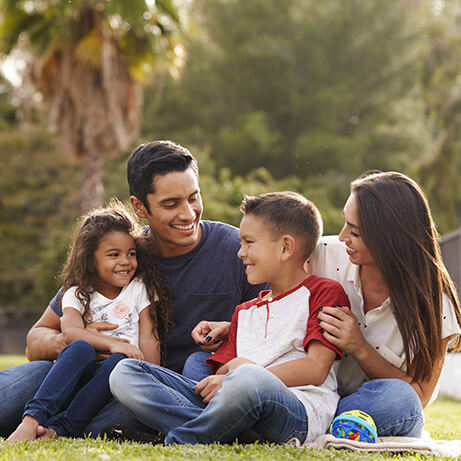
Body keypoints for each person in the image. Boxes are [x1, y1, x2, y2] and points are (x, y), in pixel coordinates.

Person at [0, 140, 265, 438]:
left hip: (151, 390)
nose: (188, 213)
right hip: (79, 374)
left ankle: (55, 427)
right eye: (171, 204)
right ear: (139, 206)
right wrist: (84, 342)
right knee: (22, 385)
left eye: (193, 197)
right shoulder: (120, 255)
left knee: (123, 411)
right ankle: (41, 420)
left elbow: (275, 327)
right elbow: (35, 340)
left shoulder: (236, 251)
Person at [191, 171, 461, 438]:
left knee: (400, 400)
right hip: (299, 390)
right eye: (345, 224)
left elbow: (420, 396)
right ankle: (276, 420)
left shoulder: (435, 303)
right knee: (199, 363)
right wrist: (237, 327)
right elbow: (282, 301)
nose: (342, 236)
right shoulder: (324, 254)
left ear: (388, 238)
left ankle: (290, 423)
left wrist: (360, 348)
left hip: (358, 405)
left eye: (354, 231)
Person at [109, 191, 351, 445]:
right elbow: (223, 371)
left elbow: (316, 368)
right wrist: (225, 375)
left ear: (285, 247)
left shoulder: (324, 292)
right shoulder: (244, 311)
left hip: (297, 409)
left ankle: (184, 438)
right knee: (125, 372)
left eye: (249, 243)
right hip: (236, 403)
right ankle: (229, 432)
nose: (240, 253)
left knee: (248, 378)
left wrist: (242, 373)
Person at [7, 202, 172, 443]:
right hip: (77, 370)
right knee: (81, 347)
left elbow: (149, 334)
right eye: (114, 255)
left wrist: (151, 375)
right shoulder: (77, 293)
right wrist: (112, 344)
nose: (125, 261)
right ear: (90, 259)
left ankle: (59, 430)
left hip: (113, 380)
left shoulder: (139, 289)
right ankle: (31, 420)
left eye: (131, 253)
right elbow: (72, 331)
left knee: (119, 363)